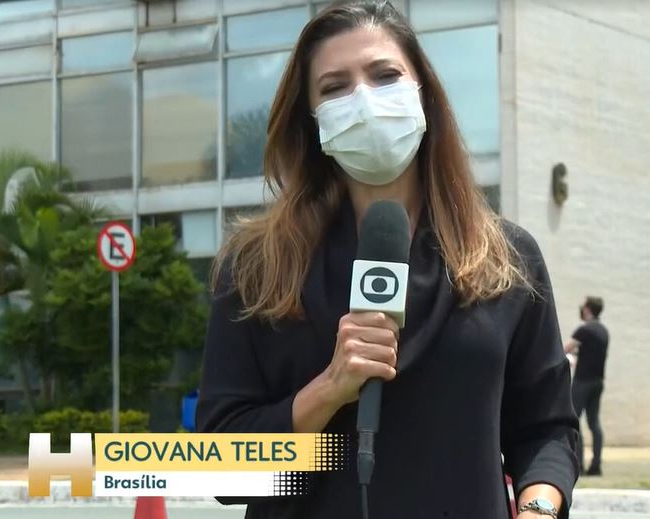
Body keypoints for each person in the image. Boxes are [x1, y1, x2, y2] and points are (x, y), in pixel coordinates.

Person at [195, 2, 581, 518]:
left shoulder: (508, 259)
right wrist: (329, 390)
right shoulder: (255, 267)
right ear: (312, 122)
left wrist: (539, 508)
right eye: (335, 87)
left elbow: (546, 430)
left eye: (384, 75)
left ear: (423, 93)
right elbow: (223, 466)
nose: (365, 100)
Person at [563, 296, 608, 476]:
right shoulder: (603, 331)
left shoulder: (585, 330)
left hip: (582, 382)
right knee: (594, 423)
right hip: (598, 382)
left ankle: (578, 464)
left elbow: (564, 348)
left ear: (588, 309)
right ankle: (596, 465)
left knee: (574, 421)